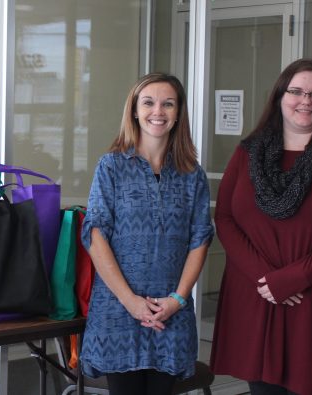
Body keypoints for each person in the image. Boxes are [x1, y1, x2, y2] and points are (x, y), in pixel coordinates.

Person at [210, 58, 312, 395]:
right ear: (279, 96)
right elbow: (225, 218)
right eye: (297, 91)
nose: (306, 101)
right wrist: (266, 278)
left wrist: (293, 278)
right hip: (258, 296)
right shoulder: (247, 154)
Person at [80, 73, 213, 395]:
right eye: (149, 102)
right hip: (117, 310)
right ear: (135, 111)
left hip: (171, 312)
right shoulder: (111, 166)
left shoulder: (192, 175)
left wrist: (178, 299)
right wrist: (131, 302)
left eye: (168, 104)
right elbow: (95, 235)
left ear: (178, 113)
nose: (158, 111)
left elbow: (201, 239)